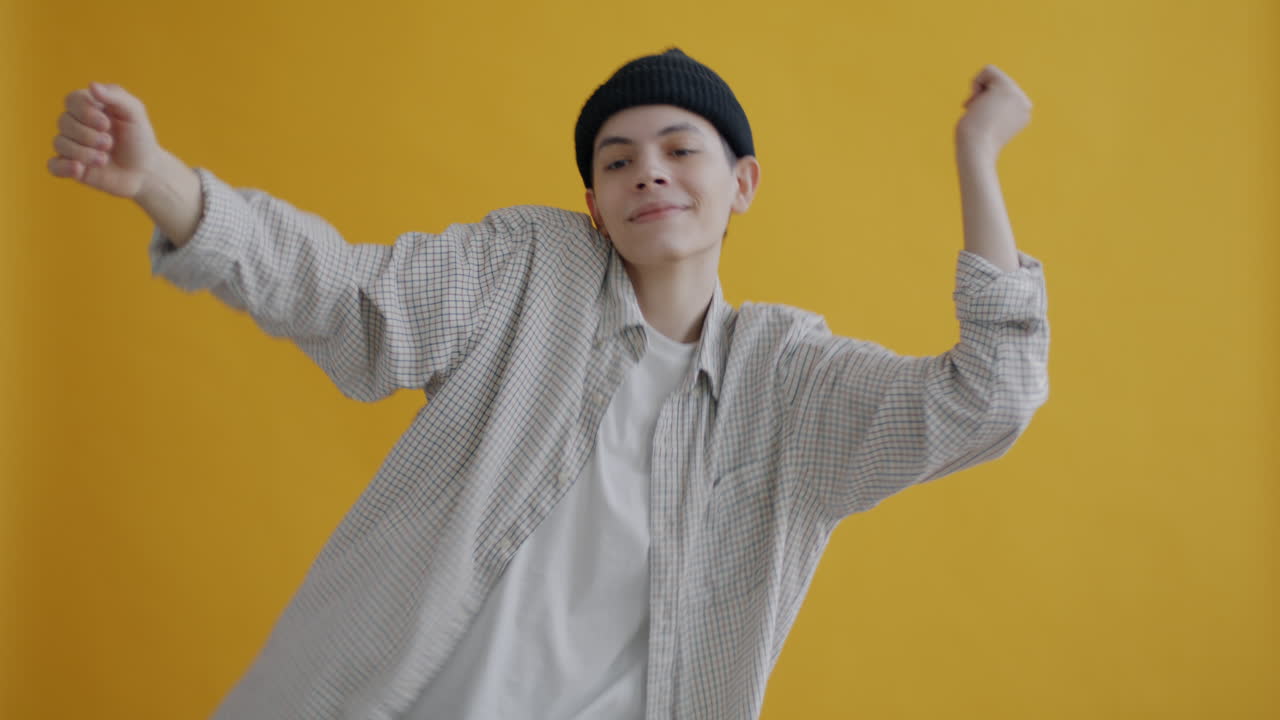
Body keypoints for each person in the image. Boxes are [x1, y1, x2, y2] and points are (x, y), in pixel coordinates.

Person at [48, 48, 1048, 720]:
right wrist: (161, 181)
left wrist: (976, 153)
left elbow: (986, 398)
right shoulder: (530, 268)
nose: (648, 172)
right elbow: (348, 295)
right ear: (595, 204)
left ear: (742, 183)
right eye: (618, 161)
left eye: (679, 149)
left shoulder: (788, 384)